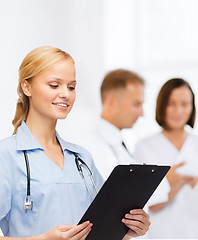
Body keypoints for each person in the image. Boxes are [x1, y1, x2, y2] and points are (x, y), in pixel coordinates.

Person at [0, 46, 150, 240]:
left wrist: (128, 230)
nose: (65, 94)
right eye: (54, 85)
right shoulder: (2, 155)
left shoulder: (82, 158)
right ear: (27, 87)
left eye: (71, 87)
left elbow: (100, 229)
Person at [79, 69, 169, 239]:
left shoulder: (119, 143)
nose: (141, 113)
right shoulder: (92, 146)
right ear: (111, 102)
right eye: (136, 104)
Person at [134, 78, 198, 238]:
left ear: (192, 107)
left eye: (185, 104)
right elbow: (149, 205)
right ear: (161, 106)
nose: (178, 111)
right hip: (164, 234)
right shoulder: (144, 147)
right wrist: (175, 183)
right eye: (171, 103)